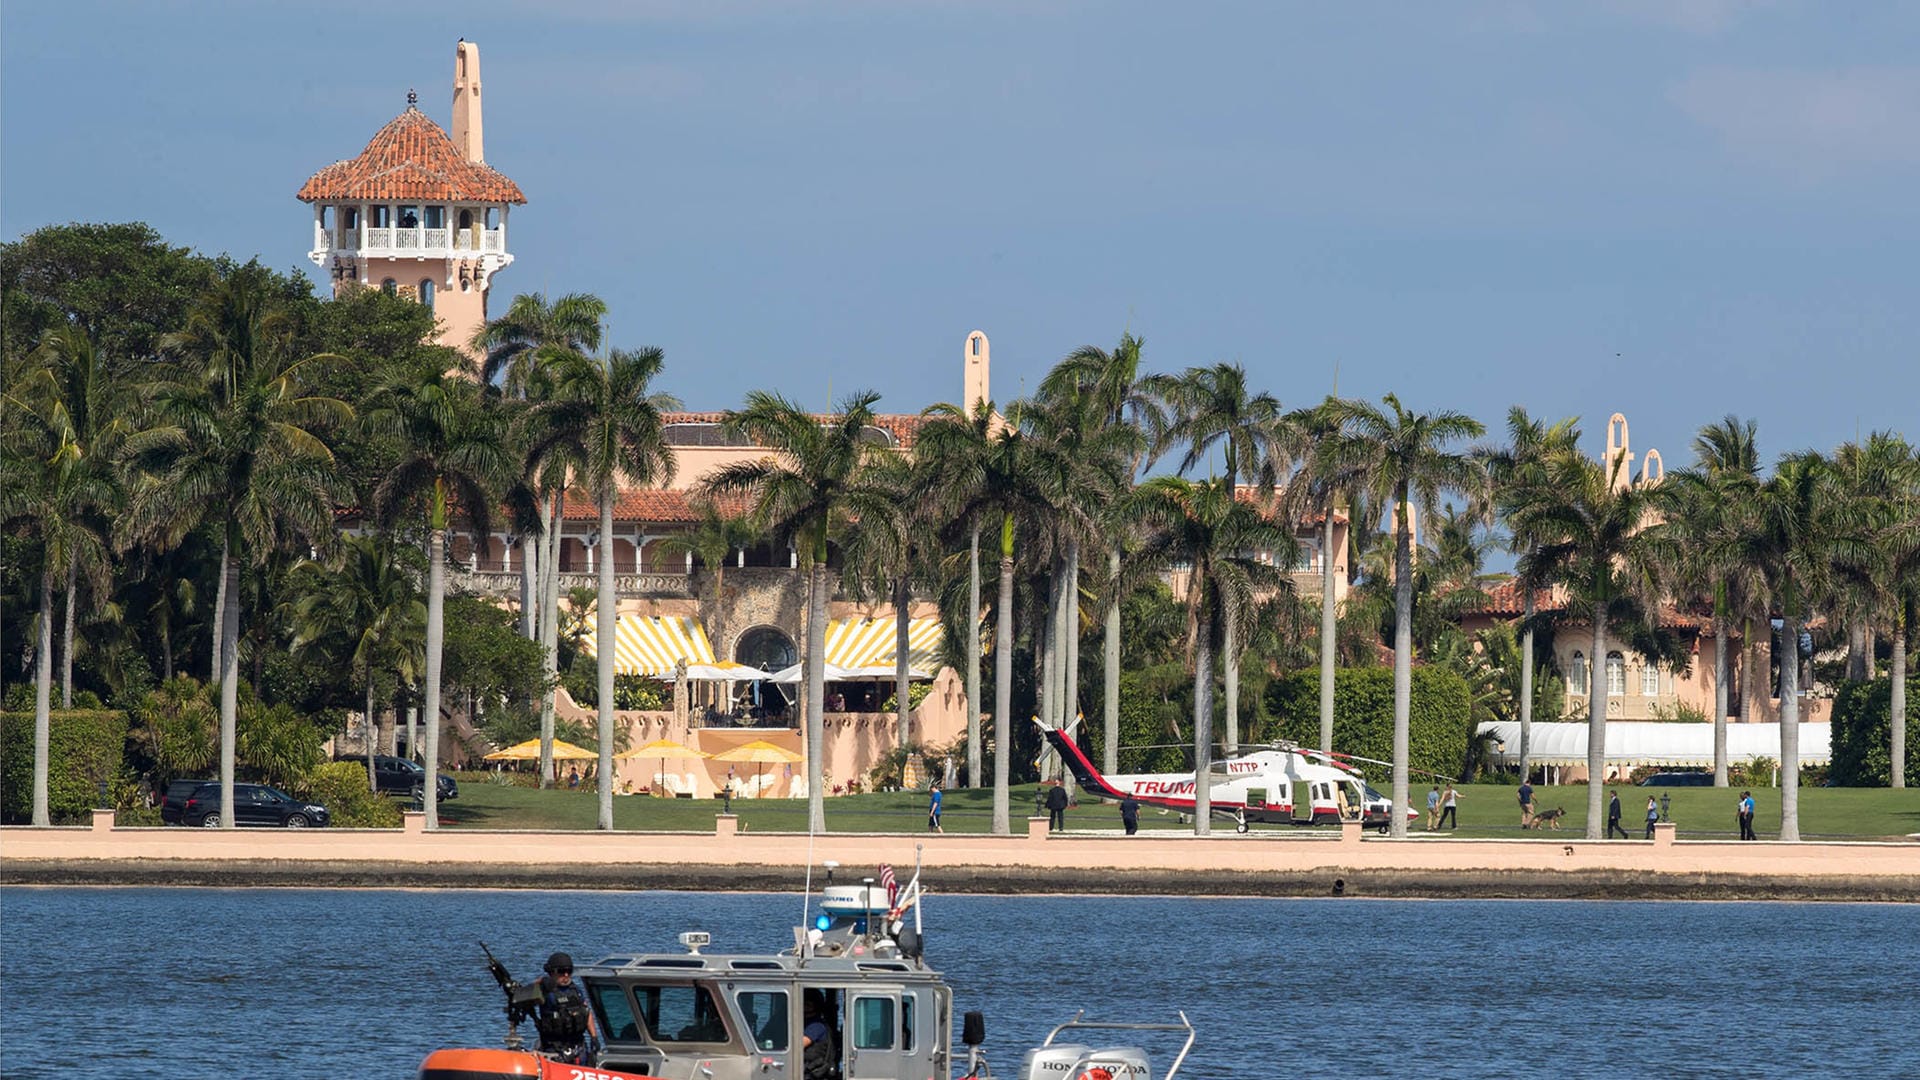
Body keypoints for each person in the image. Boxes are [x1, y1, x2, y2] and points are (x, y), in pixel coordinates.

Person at [535, 952, 598, 1064]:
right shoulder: (545, 991)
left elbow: (587, 1013)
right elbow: (524, 995)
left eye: (569, 971)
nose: (566, 975)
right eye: (561, 972)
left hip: (578, 1047)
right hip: (555, 1049)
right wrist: (541, 981)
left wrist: (594, 1037)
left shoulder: (575, 991)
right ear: (551, 972)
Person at [802, 989, 836, 1080]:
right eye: (803, 1004)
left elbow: (799, 1044)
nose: (804, 1007)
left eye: (807, 1005)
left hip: (813, 1073)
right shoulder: (806, 1023)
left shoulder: (816, 1026)